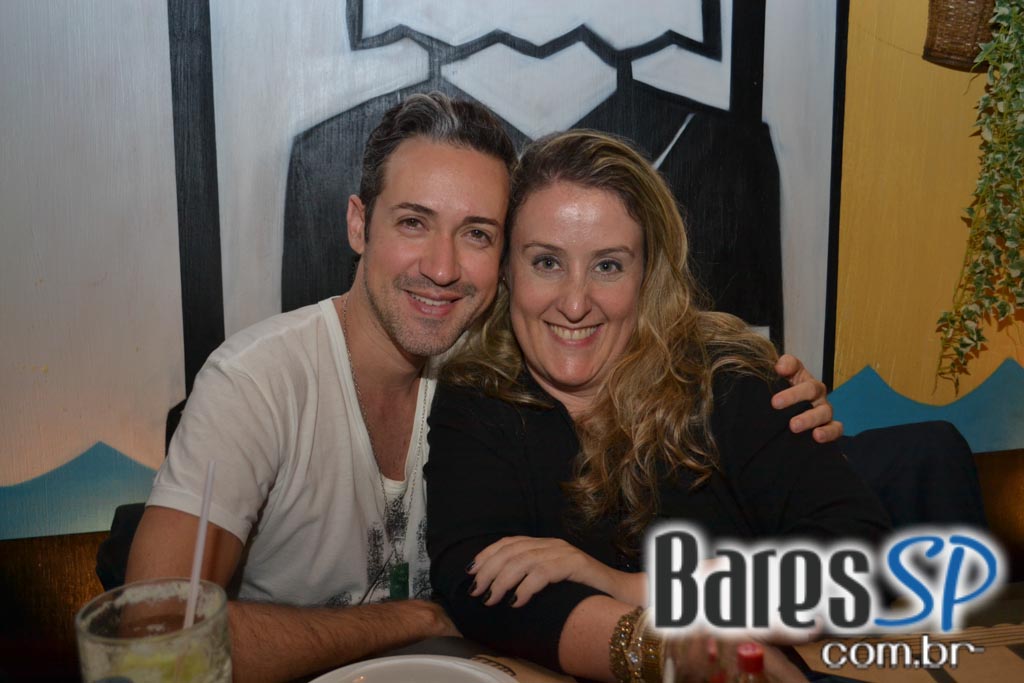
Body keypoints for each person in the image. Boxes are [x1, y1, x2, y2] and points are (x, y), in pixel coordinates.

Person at [126, 95, 839, 683]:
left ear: (502, 259)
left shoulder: (491, 372)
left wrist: (750, 372)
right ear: (358, 223)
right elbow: (151, 636)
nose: (441, 268)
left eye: (476, 233)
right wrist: (417, 616)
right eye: (414, 223)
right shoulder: (256, 382)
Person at [426, 130, 891, 682]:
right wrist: (674, 650)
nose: (574, 303)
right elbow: (482, 585)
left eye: (608, 266)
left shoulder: (729, 378)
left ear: (648, 275)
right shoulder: (478, 395)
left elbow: (856, 564)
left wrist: (624, 585)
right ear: (506, 270)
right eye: (547, 262)